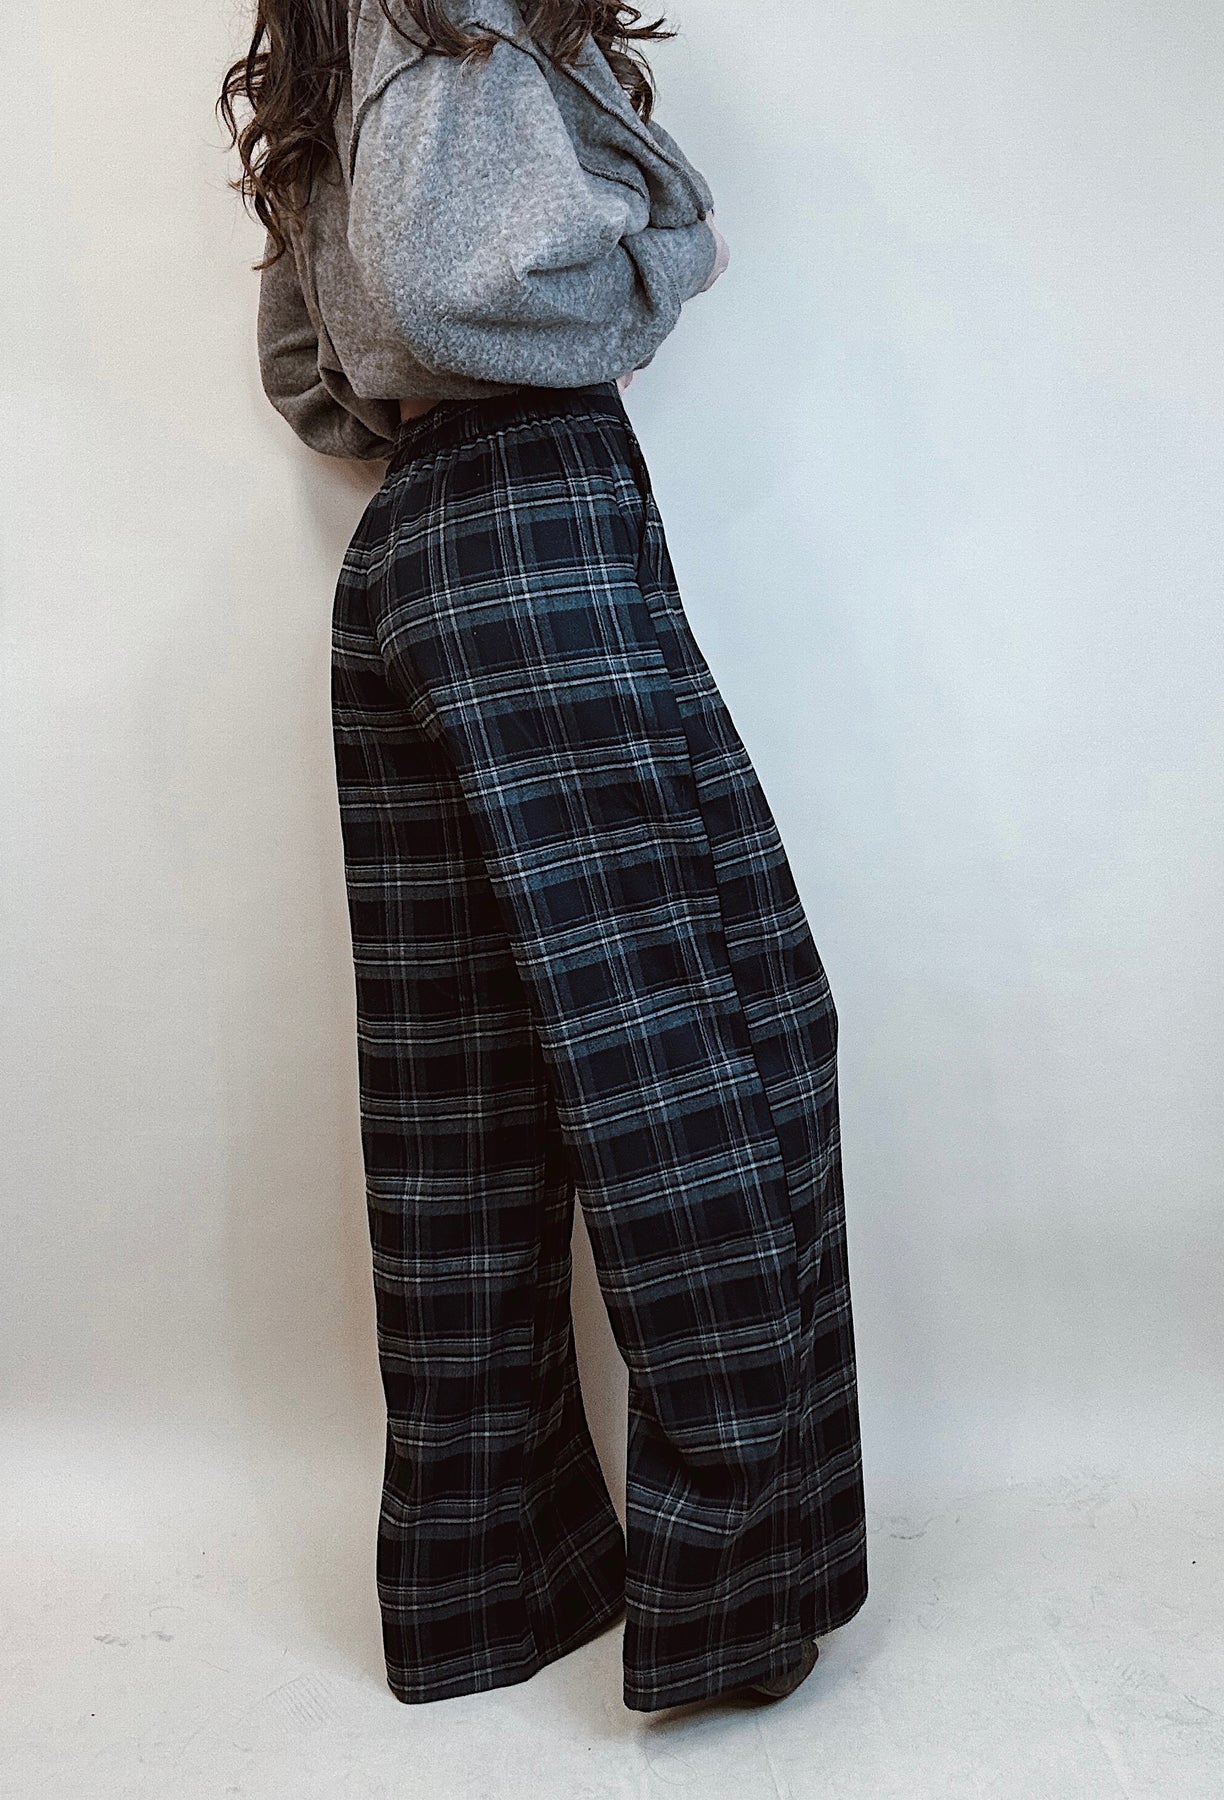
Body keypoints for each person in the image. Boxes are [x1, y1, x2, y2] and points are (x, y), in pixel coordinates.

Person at [218, 0, 867, 1715]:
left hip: (411, 550)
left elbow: (312, 371)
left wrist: (437, 388)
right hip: (539, 527)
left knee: (470, 1090)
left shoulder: (332, 48)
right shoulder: (451, 14)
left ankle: (492, 1583)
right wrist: (652, 265)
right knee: (713, 1050)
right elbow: (453, 289)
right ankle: (734, 1603)